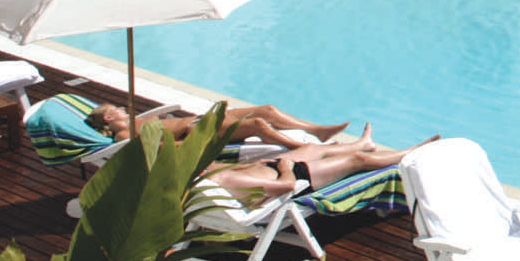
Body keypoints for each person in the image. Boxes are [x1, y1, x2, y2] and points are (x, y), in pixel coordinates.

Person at [208, 131, 435, 204]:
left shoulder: (203, 179)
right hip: (294, 179)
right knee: (357, 160)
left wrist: (251, 165)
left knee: (312, 148)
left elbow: (221, 171)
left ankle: (364, 143)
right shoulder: (224, 182)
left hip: (273, 169)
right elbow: (286, 186)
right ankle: (411, 154)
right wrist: (286, 167)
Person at [91, 100, 350, 150]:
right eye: (116, 109)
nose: (122, 108)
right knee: (259, 123)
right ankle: (297, 146)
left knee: (267, 110)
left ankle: (317, 130)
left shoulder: (137, 120)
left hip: (201, 120)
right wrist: (190, 144)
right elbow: (154, 147)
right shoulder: (123, 134)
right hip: (197, 131)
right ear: (108, 118)